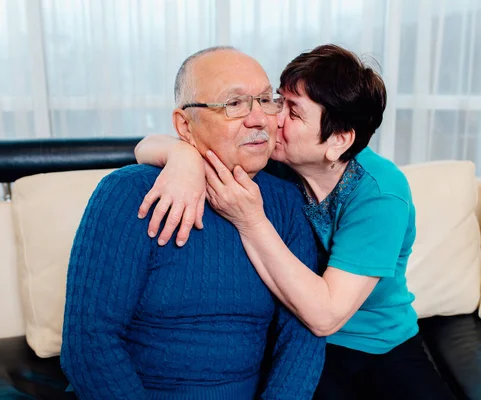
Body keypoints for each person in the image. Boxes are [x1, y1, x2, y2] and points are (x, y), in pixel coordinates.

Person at [134, 44, 455, 399]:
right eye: (279, 101)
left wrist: (250, 219)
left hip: (378, 343)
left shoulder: (381, 194)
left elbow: (326, 315)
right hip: (297, 340)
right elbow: (146, 145)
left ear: (338, 140)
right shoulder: (274, 161)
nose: (273, 119)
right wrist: (181, 157)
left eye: (295, 112)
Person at [60, 46, 325, 400]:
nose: (259, 119)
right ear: (185, 125)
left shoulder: (286, 202)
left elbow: (302, 336)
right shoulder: (127, 193)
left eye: (265, 100)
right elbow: (89, 342)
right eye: (234, 103)